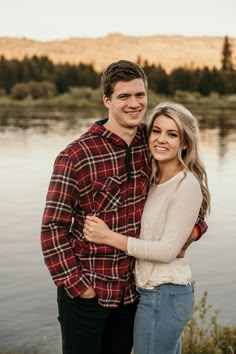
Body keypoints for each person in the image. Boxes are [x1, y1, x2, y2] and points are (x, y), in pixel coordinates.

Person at [41, 60, 207, 354]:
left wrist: (191, 233)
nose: (134, 103)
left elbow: (192, 199)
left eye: (140, 95)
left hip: (131, 294)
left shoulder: (153, 141)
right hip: (88, 294)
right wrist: (79, 286)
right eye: (124, 96)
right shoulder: (76, 155)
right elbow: (53, 229)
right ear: (107, 100)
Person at [84, 102, 211, 354]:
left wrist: (108, 237)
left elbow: (166, 251)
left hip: (164, 295)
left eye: (172, 134)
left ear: (185, 143)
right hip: (154, 293)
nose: (161, 140)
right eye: (156, 131)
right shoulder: (153, 179)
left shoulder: (186, 184)